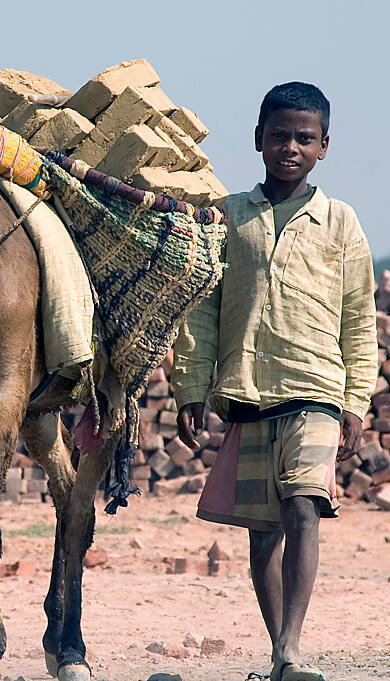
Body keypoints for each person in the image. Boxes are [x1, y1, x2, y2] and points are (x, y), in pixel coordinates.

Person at [172, 82, 378, 681]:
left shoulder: (340, 221)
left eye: (304, 138)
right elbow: (202, 312)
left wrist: (355, 400)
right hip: (247, 394)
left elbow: (358, 318)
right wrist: (190, 385)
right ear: (259, 140)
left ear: (324, 147)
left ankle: (291, 649)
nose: (291, 147)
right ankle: (278, 651)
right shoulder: (230, 218)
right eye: (280, 136)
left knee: (303, 508)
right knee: (262, 537)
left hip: (316, 389)